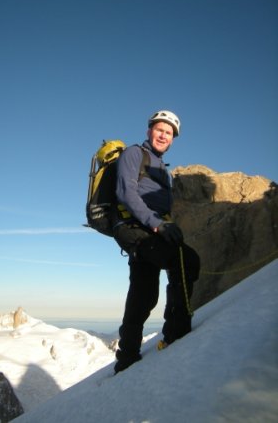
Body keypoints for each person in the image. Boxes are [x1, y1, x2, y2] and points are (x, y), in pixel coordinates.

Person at [112, 110, 200, 374]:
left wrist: (164, 224)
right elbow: (126, 193)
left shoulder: (163, 170)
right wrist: (157, 224)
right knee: (184, 259)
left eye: (169, 132)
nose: (164, 135)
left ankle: (127, 357)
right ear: (150, 130)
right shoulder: (134, 154)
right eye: (160, 129)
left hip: (151, 229)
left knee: (144, 293)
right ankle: (176, 331)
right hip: (135, 228)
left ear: (173, 139)